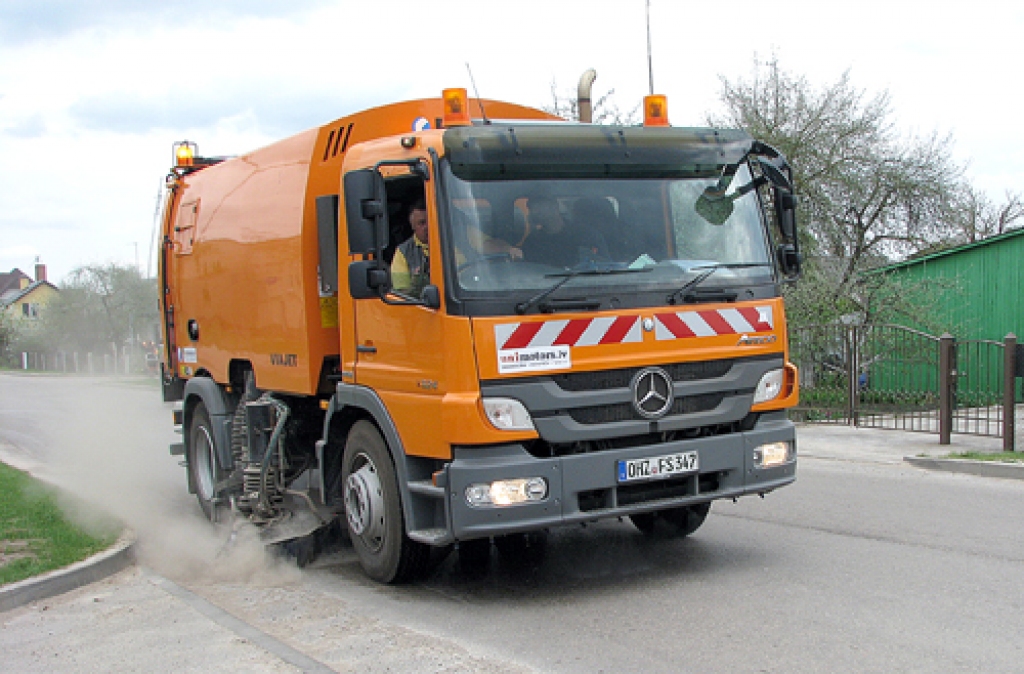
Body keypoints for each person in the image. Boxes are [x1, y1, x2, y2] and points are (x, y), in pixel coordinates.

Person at [521, 196, 608, 268]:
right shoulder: (532, 242)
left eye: (539, 207)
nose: (534, 212)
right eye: (532, 208)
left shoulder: (587, 235)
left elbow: (606, 267)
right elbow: (527, 274)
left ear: (555, 207)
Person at [390, 200, 430, 296]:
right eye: (422, 223)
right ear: (413, 226)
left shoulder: (453, 245)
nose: (427, 227)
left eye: (430, 221)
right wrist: (415, 285)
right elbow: (400, 294)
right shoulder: (403, 252)